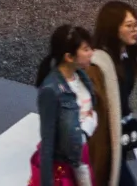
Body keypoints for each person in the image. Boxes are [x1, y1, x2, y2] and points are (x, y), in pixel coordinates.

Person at [87, 3, 137, 186]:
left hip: (116, 135)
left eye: (135, 25)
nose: (135, 30)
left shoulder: (127, 58)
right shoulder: (97, 66)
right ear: (113, 28)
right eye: (129, 25)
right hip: (102, 138)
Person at [34, 24, 97, 186]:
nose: (92, 53)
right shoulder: (51, 90)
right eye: (86, 49)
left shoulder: (82, 76)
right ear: (69, 57)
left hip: (80, 158)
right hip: (63, 168)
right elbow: (48, 142)